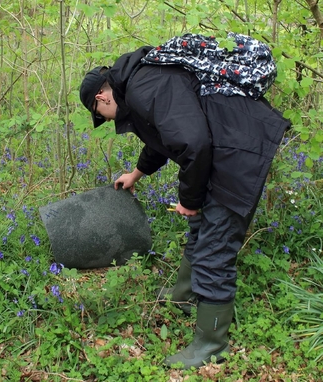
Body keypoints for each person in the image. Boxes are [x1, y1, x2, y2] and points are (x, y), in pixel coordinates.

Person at [79, 40, 290, 369]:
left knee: (214, 248)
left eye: (101, 116)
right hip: (225, 145)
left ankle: (211, 343)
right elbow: (165, 136)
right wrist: (136, 174)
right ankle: (185, 297)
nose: (107, 120)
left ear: (101, 98)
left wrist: (189, 201)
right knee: (200, 230)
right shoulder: (143, 83)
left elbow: (192, 141)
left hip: (236, 151)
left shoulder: (143, 86)